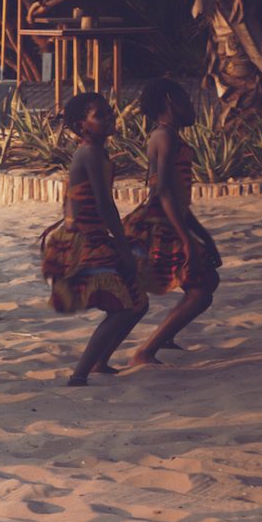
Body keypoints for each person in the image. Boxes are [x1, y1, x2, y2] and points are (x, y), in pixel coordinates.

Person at [41, 93, 150, 385]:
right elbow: (104, 204)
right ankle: (79, 374)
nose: (110, 118)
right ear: (82, 125)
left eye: (109, 113)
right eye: (100, 115)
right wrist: (124, 247)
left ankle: (100, 362)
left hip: (95, 233)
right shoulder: (87, 153)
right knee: (122, 307)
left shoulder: (98, 152)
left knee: (138, 304)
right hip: (83, 238)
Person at [123, 79, 221, 367]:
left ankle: (162, 339)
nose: (192, 106)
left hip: (171, 218)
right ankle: (145, 351)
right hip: (159, 221)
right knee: (201, 288)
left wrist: (204, 237)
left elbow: (180, 200)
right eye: (186, 100)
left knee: (202, 282)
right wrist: (188, 240)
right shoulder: (164, 137)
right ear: (169, 101)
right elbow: (163, 193)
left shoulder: (172, 137)